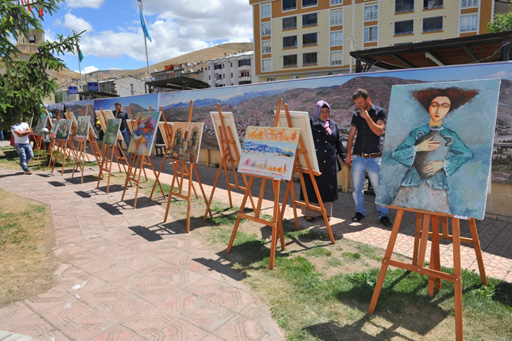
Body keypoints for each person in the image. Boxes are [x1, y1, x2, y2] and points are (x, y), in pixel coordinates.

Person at [390, 87, 477, 213]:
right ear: (428, 107)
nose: (438, 110)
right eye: (434, 105)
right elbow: (396, 154)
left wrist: (443, 164)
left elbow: (467, 153)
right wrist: (417, 148)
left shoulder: (449, 135)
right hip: (412, 182)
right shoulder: (417, 133)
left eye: (444, 106)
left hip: (437, 185)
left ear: (449, 109)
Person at [346, 89, 392, 227]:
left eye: (360, 103)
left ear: (368, 99)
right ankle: (359, 212)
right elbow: (351, 135)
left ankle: (383, 215)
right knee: (357, 188)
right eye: (356, 104)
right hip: (358, 157)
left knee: (379, 189)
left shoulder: (380, 112)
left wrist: (366, 117)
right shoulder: (356, 115)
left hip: (374, 158)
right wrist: (349, 154)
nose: (358, 106)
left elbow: (378, 131)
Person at [300, 100, 346, 221]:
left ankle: (325, 212)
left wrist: (343, 156)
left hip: (329, 161)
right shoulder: (310, 124)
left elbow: (338, 142)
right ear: (317, 111)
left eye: (327, 111)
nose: (325, 114)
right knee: (312, 186)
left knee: (327, 187)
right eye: (322, 112)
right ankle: (310, 212)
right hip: (314, 161)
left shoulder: (333, 124)